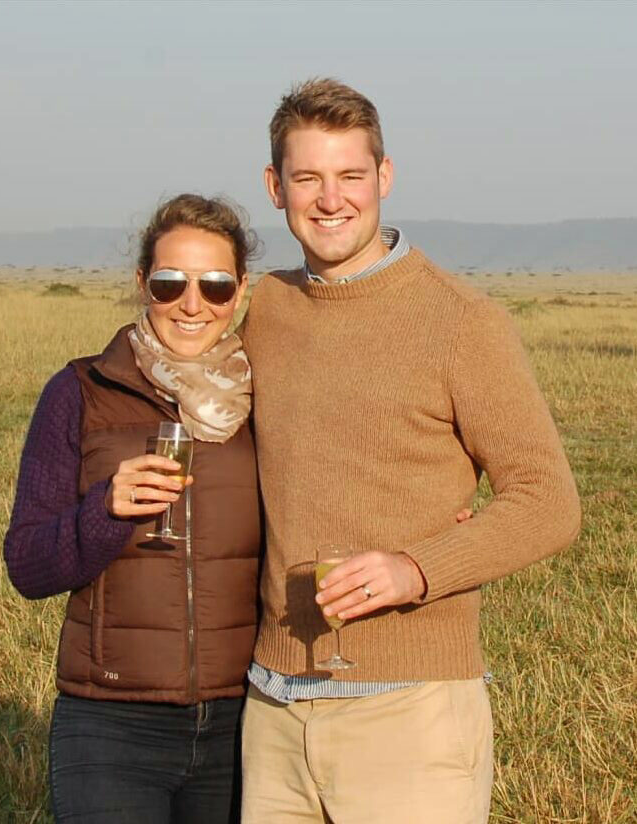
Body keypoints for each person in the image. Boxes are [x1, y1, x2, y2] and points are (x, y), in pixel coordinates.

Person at [240, 78, 582, 823]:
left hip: (411, 712)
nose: (331, 199)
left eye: (351, 176)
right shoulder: (261, 308)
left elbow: (549, 502)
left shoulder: (461, 321)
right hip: (270, 710)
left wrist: (417, 568)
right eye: (308, 178)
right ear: (275, 187)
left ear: (384, 178)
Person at [4, 194, 261, 824]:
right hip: (111, 724)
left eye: (216, 285)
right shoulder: (82, 392)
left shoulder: (270, 398)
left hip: (247, 721)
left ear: (241, 290)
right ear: (143, 282)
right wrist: (104, 511)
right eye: (171, 283)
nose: (193, 304)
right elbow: (28, 565)